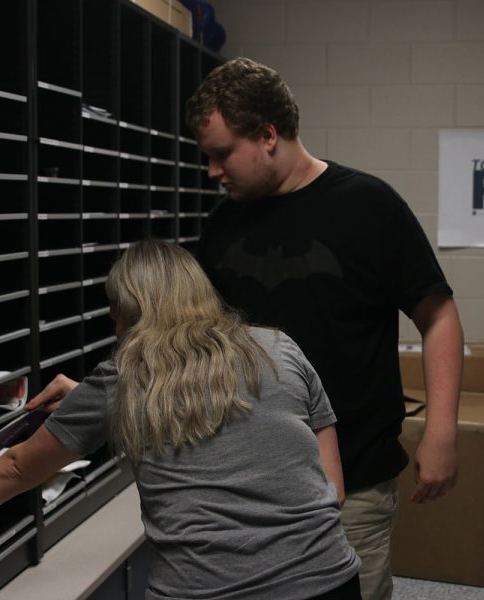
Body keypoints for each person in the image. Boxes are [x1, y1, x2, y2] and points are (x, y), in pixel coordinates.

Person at [0, 240, 362, 600]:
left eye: (116, 320)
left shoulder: (123, 378)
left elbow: (19, 466)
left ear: (128, 316)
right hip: (329, 580)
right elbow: (332, 491)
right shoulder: (277, 347)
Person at [186, 57, 464, 600]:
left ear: (267, 135)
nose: (212, 172)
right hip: (245, 478)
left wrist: (442, 431)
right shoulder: (223, 223)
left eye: (222, 154)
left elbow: (440, 316)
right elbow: (199, 337)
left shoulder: (368, 205)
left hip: (352, 479)